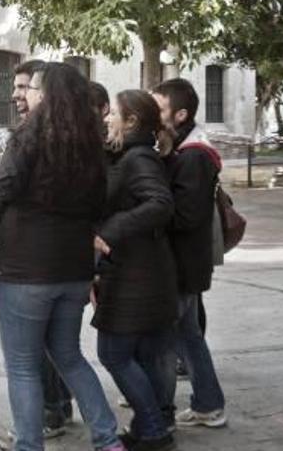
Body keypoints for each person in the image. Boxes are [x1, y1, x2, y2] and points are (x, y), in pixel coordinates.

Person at [0, 63, 125, 451]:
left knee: (23, 367)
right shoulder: (90, 142)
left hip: (26, 271)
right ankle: (109, 439)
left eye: (35, 88)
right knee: (69, 356)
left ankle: (29, 445)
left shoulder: (29, 137)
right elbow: (97, 204)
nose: (29, 94)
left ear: (51, 94)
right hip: (73, 269)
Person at [93, 89, 178, 451]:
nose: (108, 118)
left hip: (136, 275)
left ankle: (155, 430)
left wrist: (107, 232)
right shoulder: (132, 154)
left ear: (131, 121)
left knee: (113, 354)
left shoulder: (139, 158)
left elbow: (160, 204)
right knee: (141, 356)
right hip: (139, 271)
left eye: (114, 113)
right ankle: (149, 429)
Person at [151, 78, 227, 428]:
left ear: (180, 115)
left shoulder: (194, 156)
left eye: (160, 109)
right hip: (184, 262)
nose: (154, 116)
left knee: (170, 341)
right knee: (188, 336)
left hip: (182, 264)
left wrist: (149, 212)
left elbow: (187, 215)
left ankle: (159, 412)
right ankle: (208, 404)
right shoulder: (184, 148)